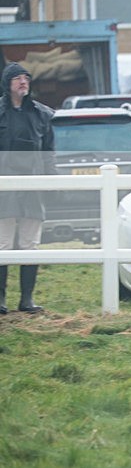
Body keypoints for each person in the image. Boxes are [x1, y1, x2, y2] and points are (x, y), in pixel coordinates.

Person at [0, 62, 57, 314]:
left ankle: (27, 300)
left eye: (26, 77)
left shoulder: (42, 114)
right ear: (7, 83)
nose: (23, 81)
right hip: (3, 189)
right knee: (2, 245)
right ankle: (0, 300)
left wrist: (52, 182)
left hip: (33, 188)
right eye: (17, 78)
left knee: (29, 244)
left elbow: (48, 153)